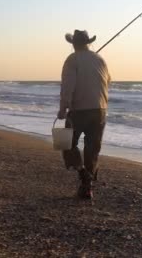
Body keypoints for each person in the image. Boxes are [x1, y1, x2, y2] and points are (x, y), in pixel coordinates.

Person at [58, 29, 111, 199]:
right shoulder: (100, 59)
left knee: (65, 143)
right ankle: (87, 186)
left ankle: (83, 174)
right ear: (88, 43)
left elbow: (68, 85)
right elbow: (108, 80)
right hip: (100, 110)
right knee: (92, 149)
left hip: (79, 110)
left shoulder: (72, 59)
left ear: (73, 44)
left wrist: (63, 107)